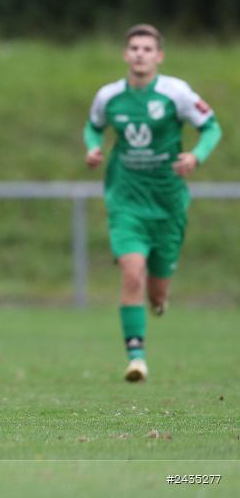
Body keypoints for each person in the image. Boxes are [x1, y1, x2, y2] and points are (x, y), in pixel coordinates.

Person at [83, 24, 221, 382]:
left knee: (157, 292)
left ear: (159, 56)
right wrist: (93, 147)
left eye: (147, 48)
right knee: (132, 273)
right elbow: (93, 125)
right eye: (134, 48)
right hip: (126, 200)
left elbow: (212, 127)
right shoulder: (109, 96)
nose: (140, 54)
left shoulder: (176, 94)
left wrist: (196, 157)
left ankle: (159, 301)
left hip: (167, 203)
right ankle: (136, 356)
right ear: (125, 55)